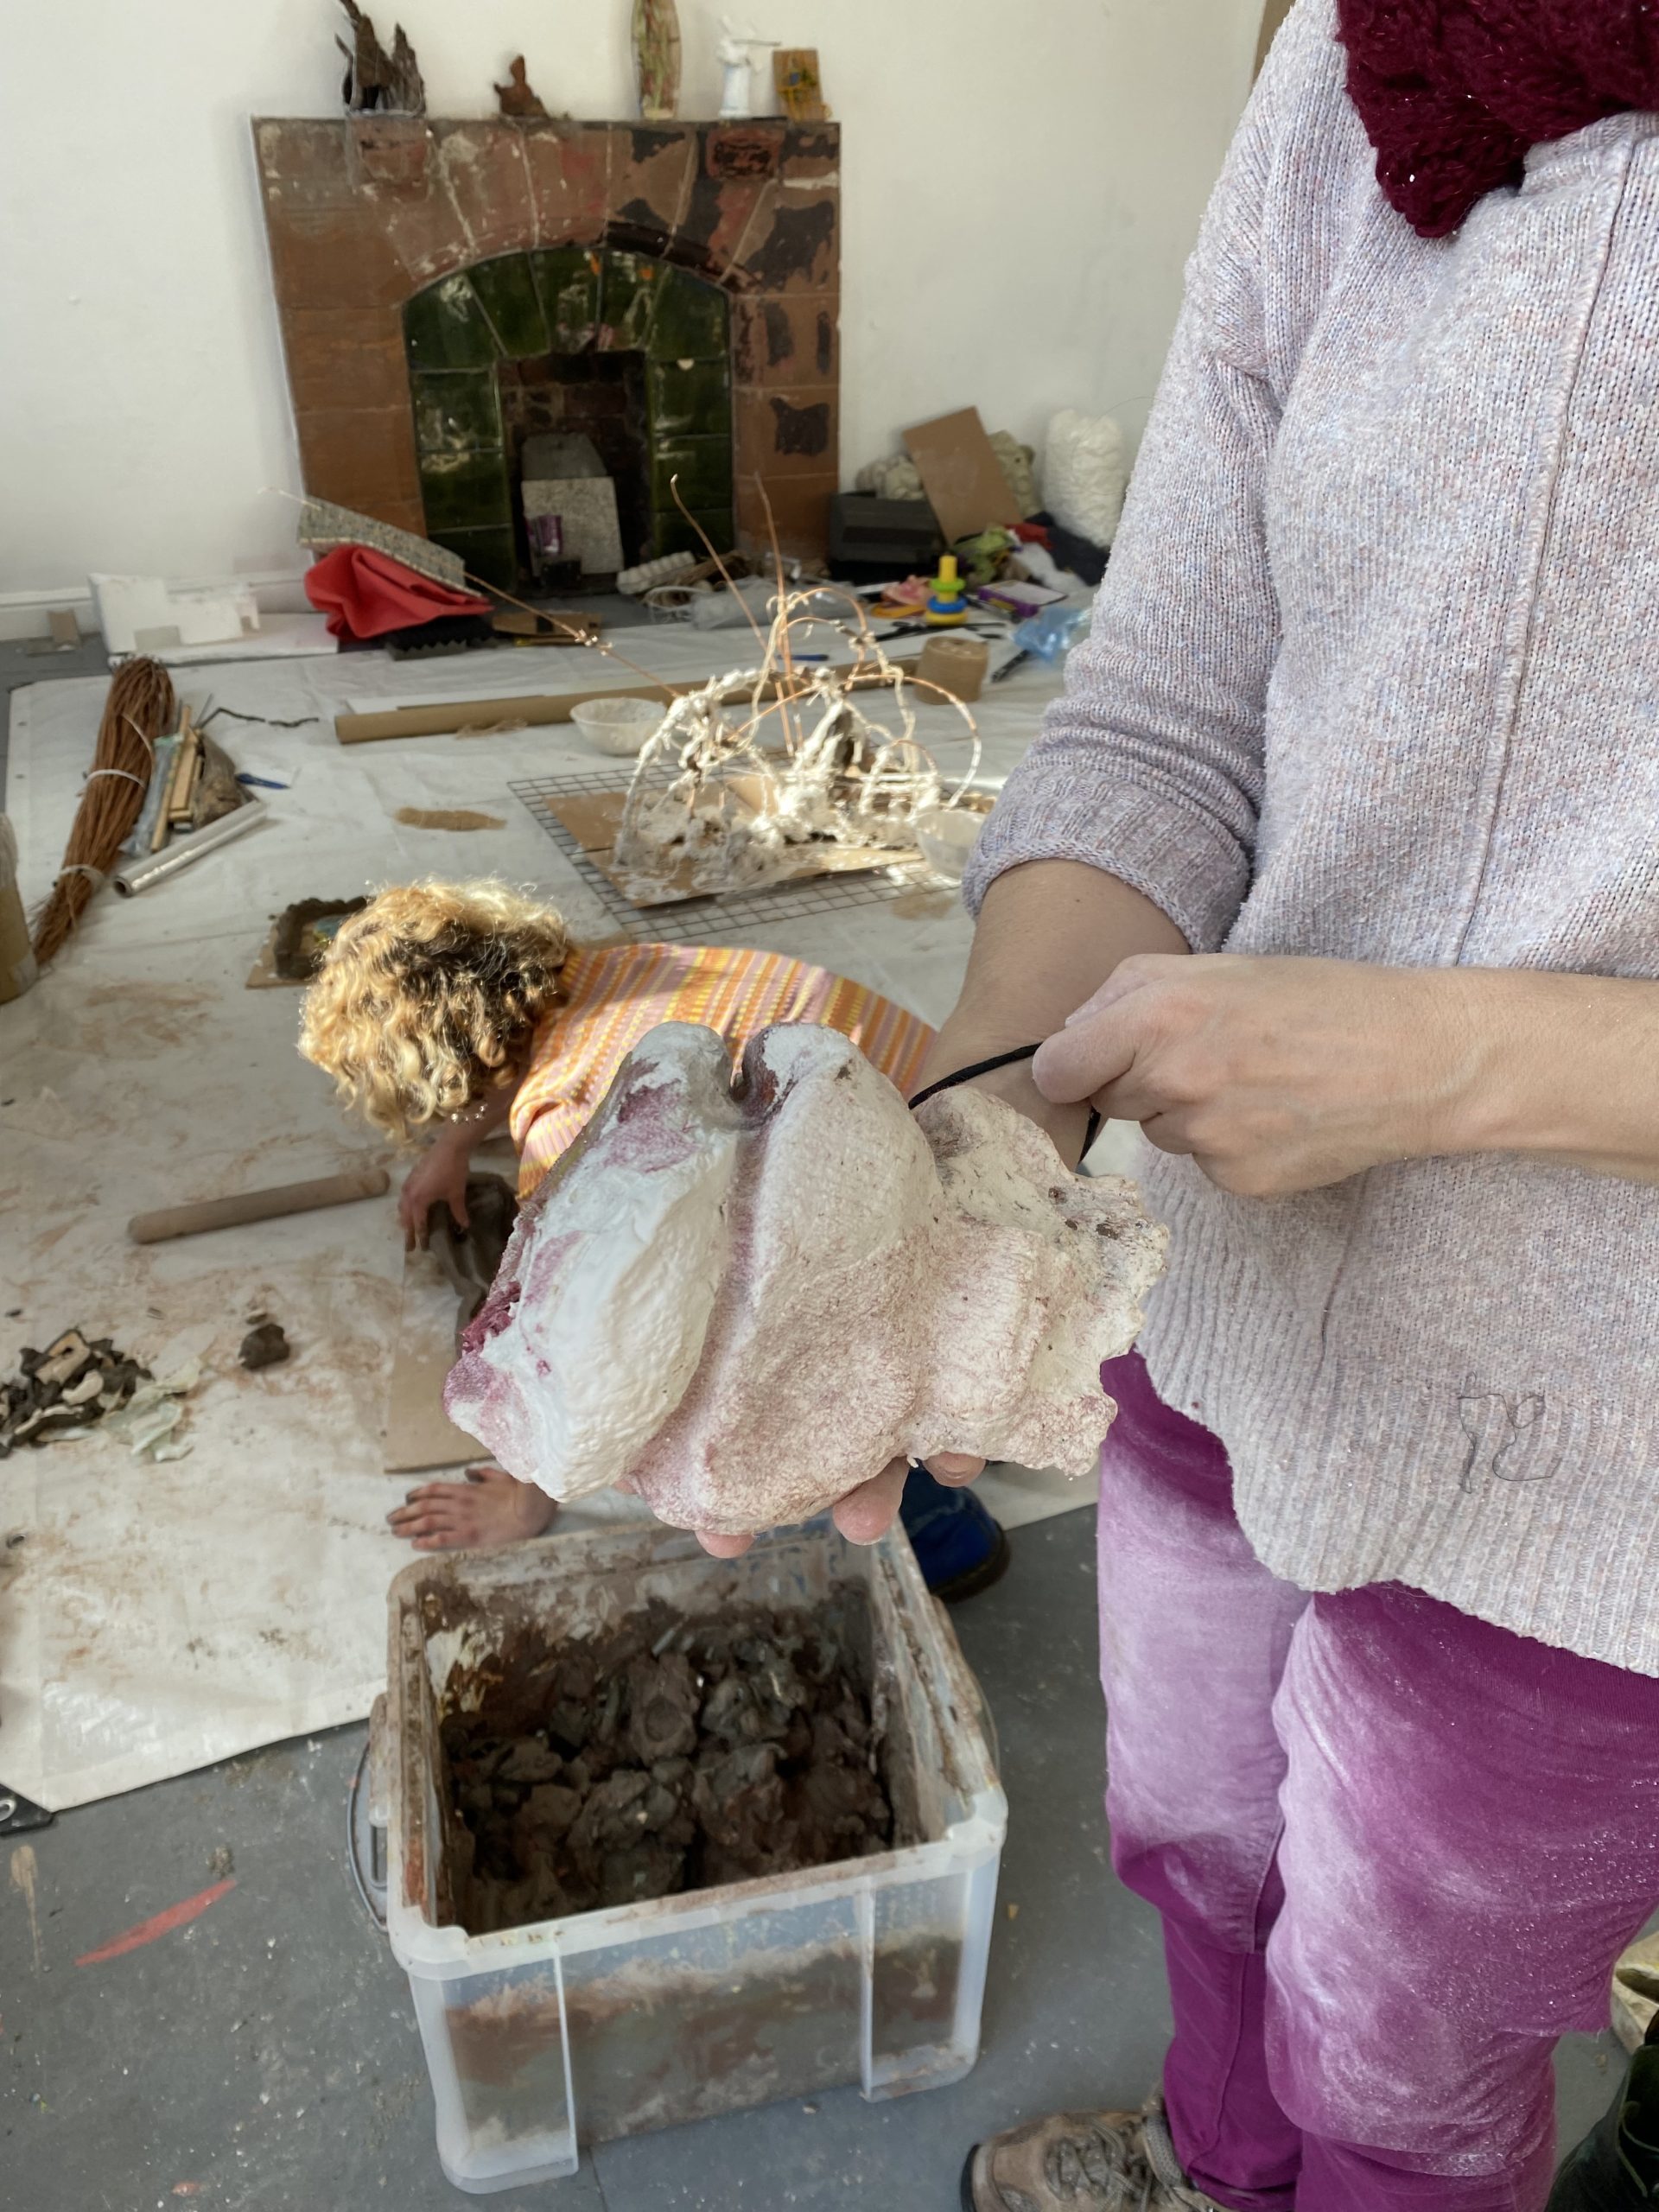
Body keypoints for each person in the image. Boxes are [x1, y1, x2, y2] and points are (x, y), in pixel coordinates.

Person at [710, 4, 1659, 2206]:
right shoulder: (1368, 58)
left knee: (1403, 2050)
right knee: (1202, 1840)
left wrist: (1453, 1060)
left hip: (1603, 1455)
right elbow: (1168, 697)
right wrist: (979, 1137)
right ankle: (1210, 2165)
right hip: (1221, 1284)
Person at [296, 880, 1008, 1593]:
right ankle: (983, 1408)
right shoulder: (619, 972)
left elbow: (591, 1362)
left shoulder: (574, 1125)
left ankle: (951, 1537)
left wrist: (524, 1502)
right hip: (970, 1141)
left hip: (930, 1247)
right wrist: (455, 1144)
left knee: (834, 1402)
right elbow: (506, 1056)